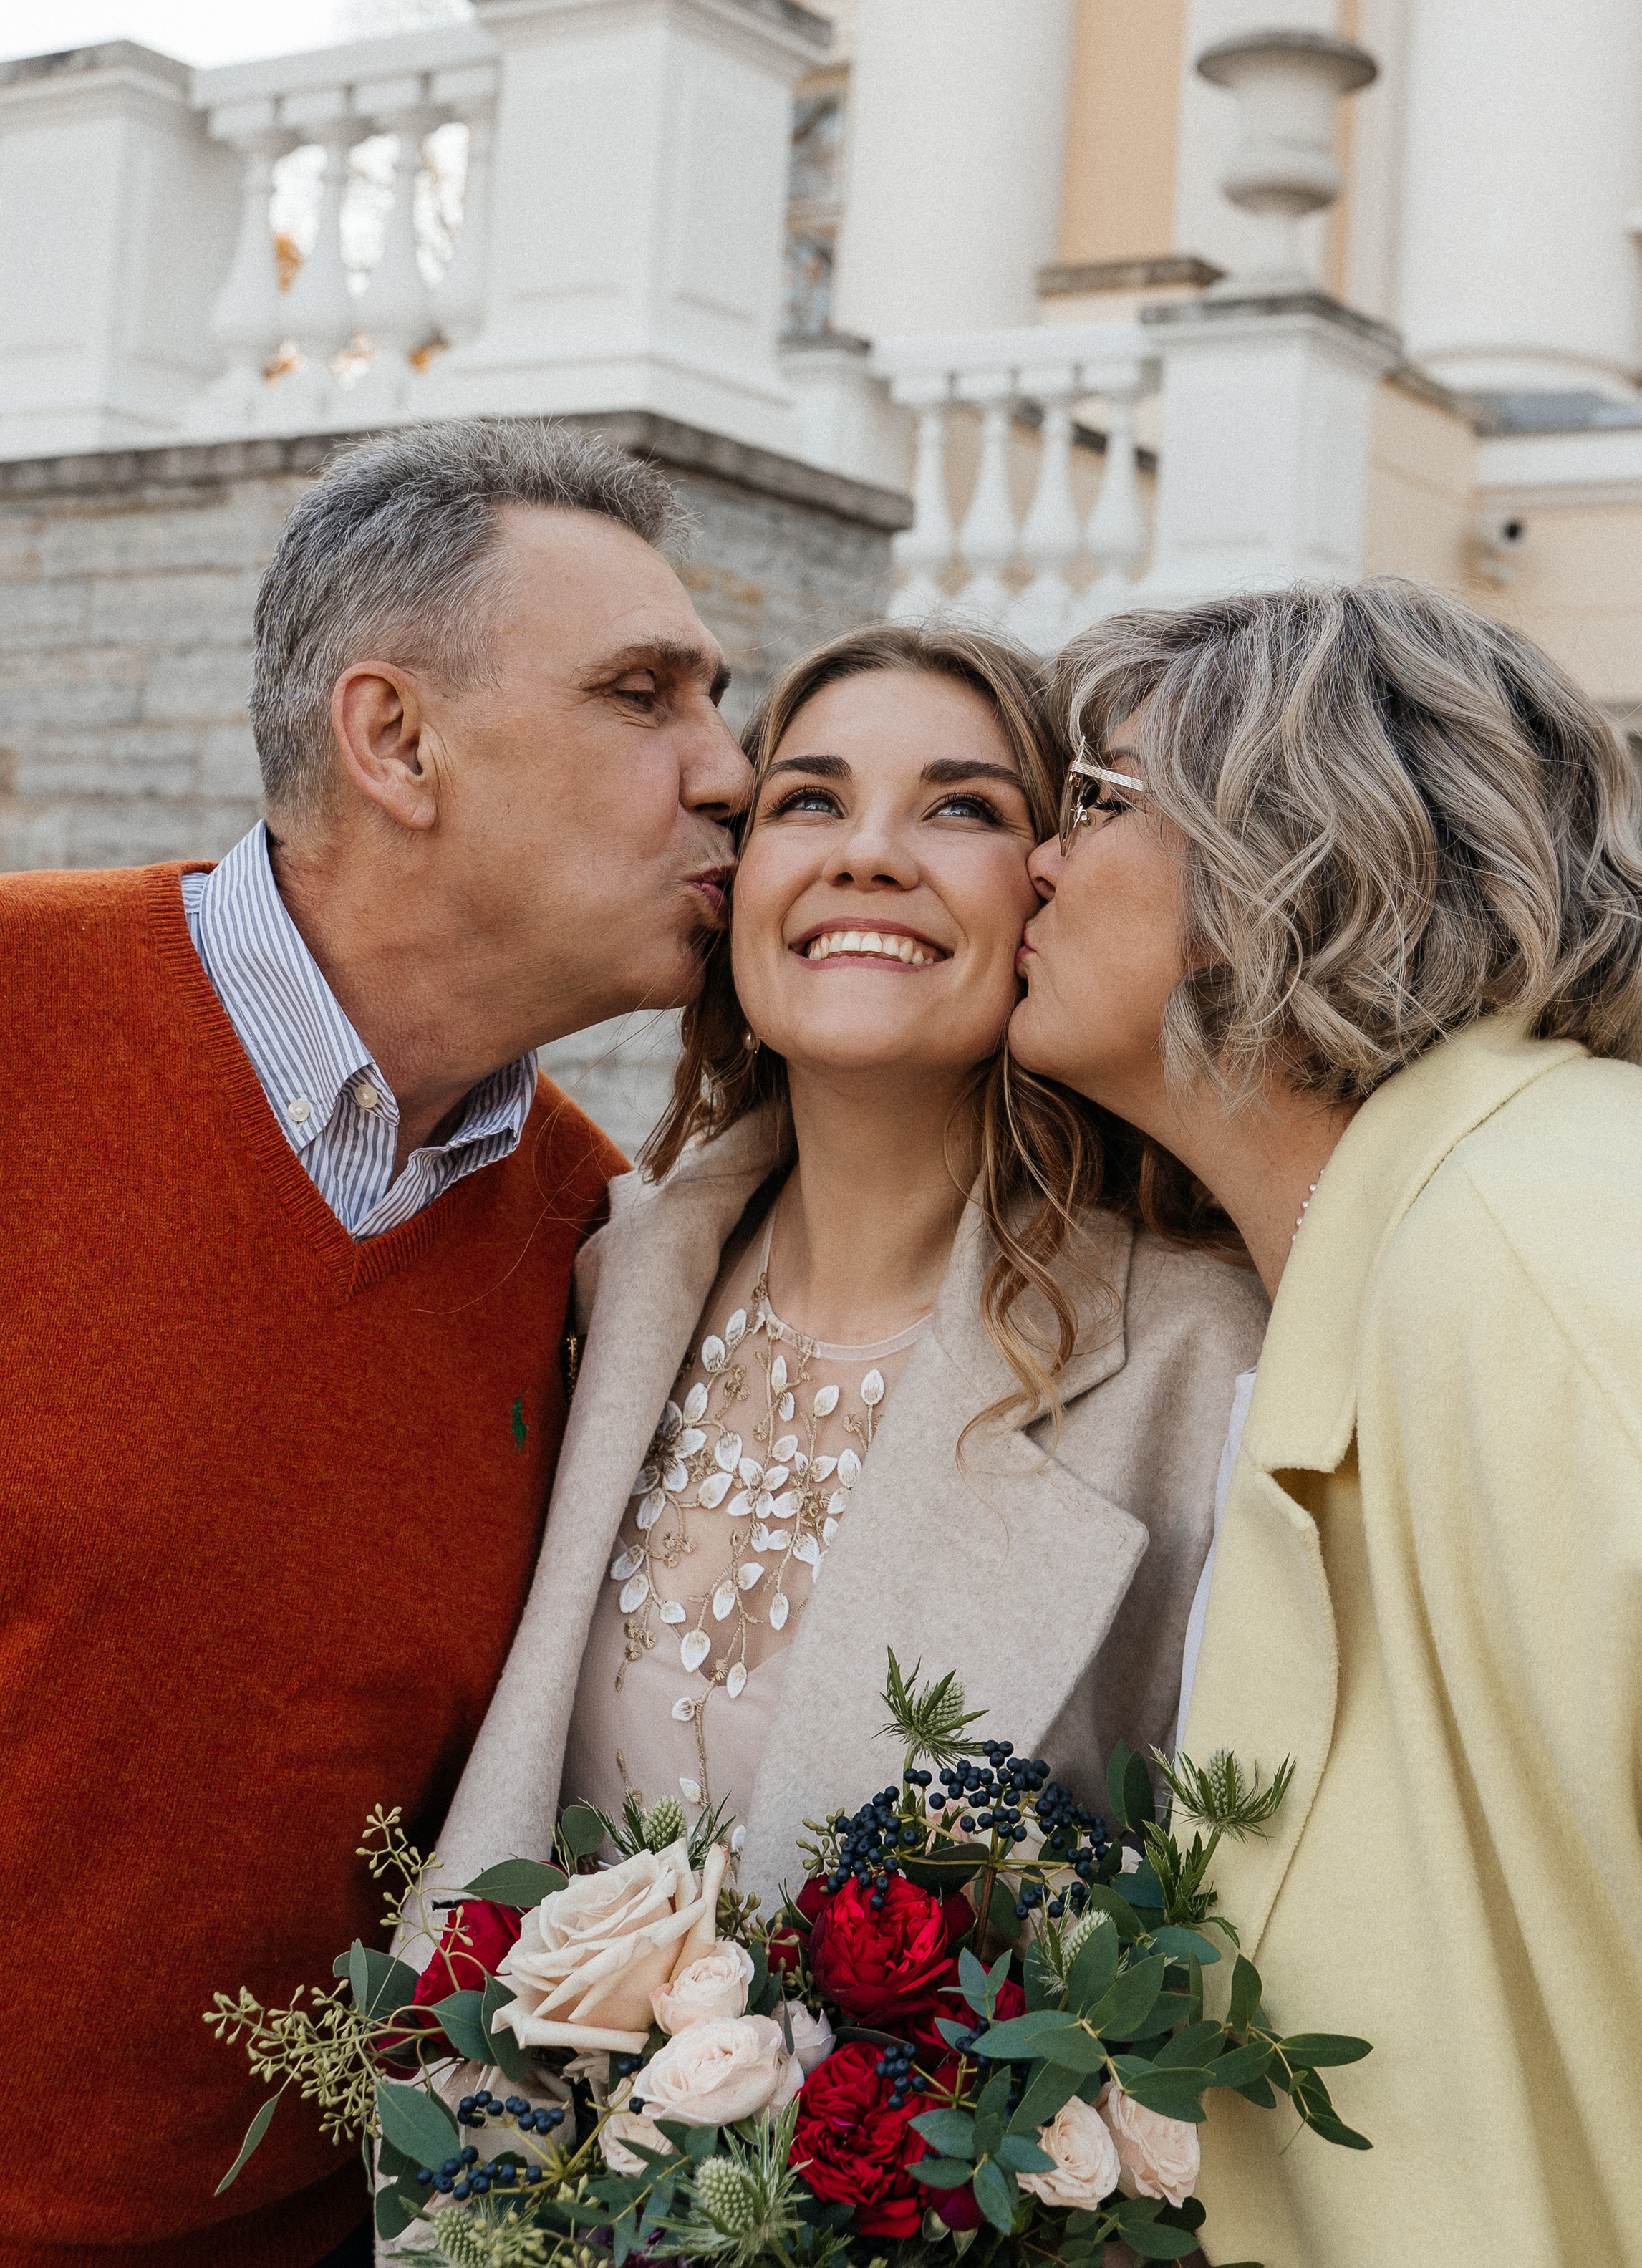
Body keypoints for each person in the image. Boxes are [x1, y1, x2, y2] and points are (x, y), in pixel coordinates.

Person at [1008, 578, 1642, 2268]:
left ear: (1283, 858)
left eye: (1093, 800)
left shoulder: (1556, 1268)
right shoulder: (1392, 1265)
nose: (1034, 858)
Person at [0, 420, 752, 2268]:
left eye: (716, 703)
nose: (728, 774)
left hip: (322, 2261)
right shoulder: (20, 1012)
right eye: (643, 697)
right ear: (397, 741)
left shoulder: (599, 1243)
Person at [428, 620, 1267, 1917]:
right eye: (810, 801)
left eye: (963, 809)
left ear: (1051, 885)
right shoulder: (605, 1271)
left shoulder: (1207, 1367)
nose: (866, 854)